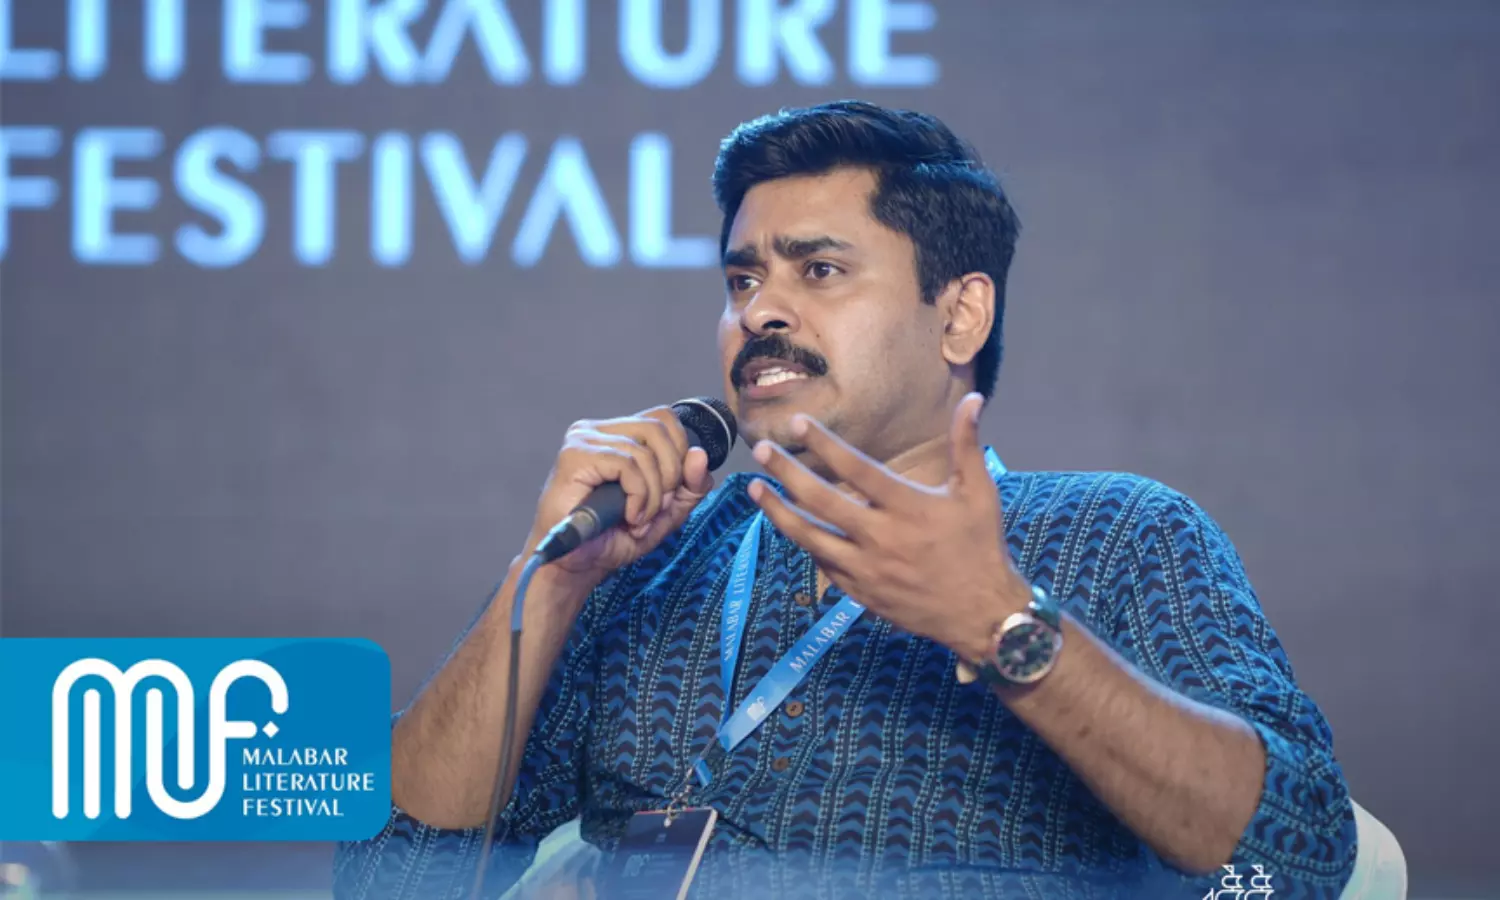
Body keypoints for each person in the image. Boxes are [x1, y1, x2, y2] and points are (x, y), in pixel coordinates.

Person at [333, 101, 1356, 899]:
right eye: (742, 281)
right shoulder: (647, 563)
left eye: (819, 270)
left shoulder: (1116, 534)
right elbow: (389, 879)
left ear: (959, 316)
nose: (760, 312)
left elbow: (1293, 859)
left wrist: (1003, 625)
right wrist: (551, 578)